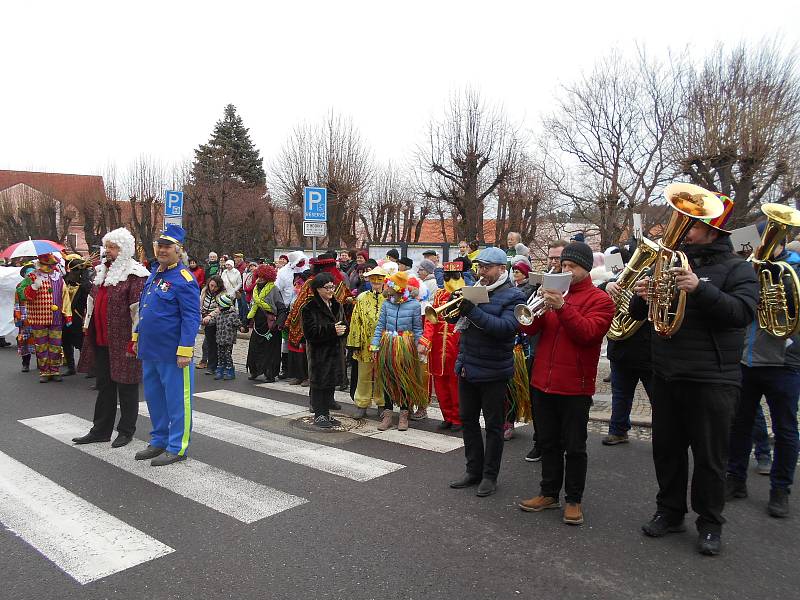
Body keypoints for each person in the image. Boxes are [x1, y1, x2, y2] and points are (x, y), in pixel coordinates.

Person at [629, 195, 758, 556]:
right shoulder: (668, 263)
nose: (684, 229)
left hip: (712, 379)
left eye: (693, 225)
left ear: (714, 232)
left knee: (710, 457)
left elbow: (742, 313)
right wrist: (642, 295)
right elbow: (642, 313)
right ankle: (670, 512)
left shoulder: (738, 268)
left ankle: (710, 523)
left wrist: (701, 288)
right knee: (666, 451)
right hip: (668, 373)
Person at [517, 241, 615, 525]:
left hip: (575, 386)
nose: (566, 271)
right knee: (547, 442)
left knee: (574, 446)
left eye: (572, 267)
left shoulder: (600, 300)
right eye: (564, 266)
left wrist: (562, 307)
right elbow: (530, 328)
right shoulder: (553, 294)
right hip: (542, 382)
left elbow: (588, 334)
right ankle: (548, 493)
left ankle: (573, 499)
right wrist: (536, 306)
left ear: (586, 269)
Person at [726, 229, 800, 518]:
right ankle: (735, 479)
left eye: (766, 244)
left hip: (785, 361)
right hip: (748, 358)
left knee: (785, 429)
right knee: (740, 423)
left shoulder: (793, 270)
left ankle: (780, 489)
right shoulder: (749, 270)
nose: (758, 250)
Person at [449, 247, 525, 497]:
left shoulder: (514, 295)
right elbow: (460, 323)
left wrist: (471, 310)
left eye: (487, 267)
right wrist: (456, 311)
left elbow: (504, 328)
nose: (481, 272)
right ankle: (473, 470)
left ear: (502, 269)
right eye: (479, 267)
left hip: (494, 370)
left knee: (493, 426)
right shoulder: (474, 290)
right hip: (468, 367)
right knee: (468, 421)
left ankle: (490, 475)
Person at [73, 227, 150, 448]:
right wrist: (87, 327)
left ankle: (126, 431)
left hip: (124, 341)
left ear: (124, 249)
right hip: (102, 340)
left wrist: (135, 339)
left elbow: (139, 311)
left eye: (113, 247)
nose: (108, 251)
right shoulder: (102, 273)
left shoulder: (135, 275)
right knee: (104, 386)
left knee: (126, 387)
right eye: (107, 246)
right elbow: (91, 303)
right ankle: (100, 430)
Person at [132, 224, 201, 467]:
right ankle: (159, 440)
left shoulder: (184, 279)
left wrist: (185, 350)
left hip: (173, 353)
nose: (162, 250)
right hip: (150, 350)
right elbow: (145, 308)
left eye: (167, 246)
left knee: (177, 401)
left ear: (178, 250)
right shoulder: (155, 274)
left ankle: (177, 446)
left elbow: (191, 317)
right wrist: (136, 337)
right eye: (160, 245)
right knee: (155, 399)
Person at [525, 239, 569, 463]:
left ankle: (558, 442)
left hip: (560, 352)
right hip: (537, 348)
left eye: (558, 257)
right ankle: (539, 441)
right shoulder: (542, 280)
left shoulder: (571, 285)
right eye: (551, 257)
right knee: (538, 402)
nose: (554, 261)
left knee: (559, 406)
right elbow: (529, 311)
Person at [600, 271, 653, 446]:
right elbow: (597, 292)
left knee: (657, 398)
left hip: (647, 352)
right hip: (621, 350)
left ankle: (664, 434)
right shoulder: (620, 281)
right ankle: (618, 430)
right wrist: (606, 285)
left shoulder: (650, 282)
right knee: (620, 394)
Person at [370, 271, 426, 431]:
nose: (391, 292)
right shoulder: (387, 303)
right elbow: (380, 326)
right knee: (388, 380)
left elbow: (417, 329)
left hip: (405, 346)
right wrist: (375, 345)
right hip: (387, 344)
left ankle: (403, 415)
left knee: (404, 381)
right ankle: (387, 416)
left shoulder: (414, 305)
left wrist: (419, 349)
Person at [418, 262, 463, 431]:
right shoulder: (438, 295)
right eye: (447, 276)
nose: (450, 280)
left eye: (453, 276)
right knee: (440, 382)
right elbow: (431, 320)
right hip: (438, 346)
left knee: (455, 384)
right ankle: (447, 416)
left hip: (456, 346)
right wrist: (425, 341)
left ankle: (458, 418)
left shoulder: (465, 294)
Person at [303, 273, 348, 429]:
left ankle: (327, 413)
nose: (331, 290)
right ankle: (319, 414)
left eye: (332, 287)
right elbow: (310, 333)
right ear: (317, 289)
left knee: (330, 384)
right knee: (319, 384)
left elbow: (344, 325)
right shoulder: (309, 307)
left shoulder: (336, 305)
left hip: (336, 352)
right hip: (319, 353)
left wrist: (344, 330)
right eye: (327, 287)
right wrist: (331, 330)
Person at [346, 266, 387, 417]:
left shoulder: (389, 298)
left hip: (384, 343)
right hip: (365, 344)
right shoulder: (362, 298)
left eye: (379, 280)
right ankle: (362, 403)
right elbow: (355, 321)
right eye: (373, 280)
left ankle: (382, 403)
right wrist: (354, 343)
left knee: (381, 374)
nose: (376, 283)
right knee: (364, 375)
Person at [24, 253, 66, 382]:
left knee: (56, 345)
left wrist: (67, 314)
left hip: (56, 317)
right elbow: (25, 296)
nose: (48, 268)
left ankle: (55, 370)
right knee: (41, 345)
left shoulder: (58, 277)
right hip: (38, 317)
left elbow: (65, 296)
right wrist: (33, 287)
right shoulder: (32, 277)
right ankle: (44, 371)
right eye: (45, 265)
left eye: (51, 265)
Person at [246, 264, 287, 382]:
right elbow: (253, 307)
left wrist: (279, 323)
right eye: (258, 277)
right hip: (258, 325)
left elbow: (282, 308)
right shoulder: (255, 290)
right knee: (254, 349)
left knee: (270, 352)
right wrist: (247, 321)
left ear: (268, 278)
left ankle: (270, 373)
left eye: (262, 277)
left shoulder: (274, 290)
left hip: (270, 325)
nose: (260, 279)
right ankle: (255, 371)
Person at [61, 254, 93, 376]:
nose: (71, 273)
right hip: (65, 316)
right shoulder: (64, 279)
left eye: (74, 270)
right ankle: (71, 367)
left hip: (79, 317)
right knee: (65, 341)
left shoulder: (86, 284)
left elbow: (89, 299)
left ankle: (90, 367)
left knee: (81, 343)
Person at [206, 292, 240, 380]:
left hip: (228, 339)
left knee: (227, 355)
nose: (218, 307)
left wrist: (242, 327)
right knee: (220, 355)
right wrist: (205, 321)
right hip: (219, 339)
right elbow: (212, 322)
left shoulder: (233, 315)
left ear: (223, 305)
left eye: (219, 305)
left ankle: (230, 371)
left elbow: (238, 324)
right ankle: (220, 370)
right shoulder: (219, 315)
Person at [13, 262, 36, 372]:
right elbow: (17, 304)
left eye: (33, 271)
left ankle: (42, 364)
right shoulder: (19, 286)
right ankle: (25, 363)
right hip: (25, 318)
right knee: (24, 341)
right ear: (24, 275)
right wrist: (18, 319)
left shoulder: (39, 284)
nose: (31, 274)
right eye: (28, 272)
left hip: (38, 317)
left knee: (39, 341)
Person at [197, 276, 223, 373]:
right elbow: (200, 302)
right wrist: (200, 314)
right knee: (208, 343)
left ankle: (212, 365)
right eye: (211, 285)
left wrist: (210, 315)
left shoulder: (221, 294)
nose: (212, 288)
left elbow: (220, 307)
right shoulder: (205, 290)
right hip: (205, 318)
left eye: (215, 287)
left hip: (215, 320)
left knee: (211, 344)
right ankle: (208, 363)